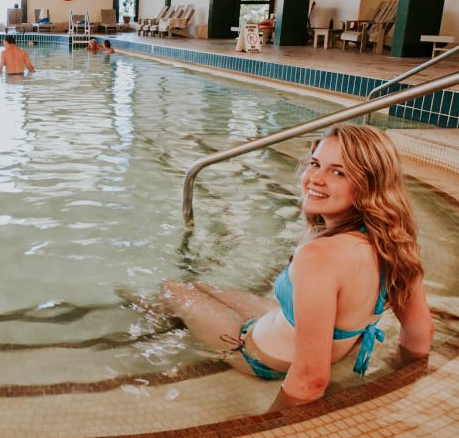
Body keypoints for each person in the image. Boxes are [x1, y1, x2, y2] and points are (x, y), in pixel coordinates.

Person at [148, 124, 433, 411]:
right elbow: (420, 332)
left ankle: (149, 336)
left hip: (259, 356)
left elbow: (311, 379)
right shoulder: (395, 241)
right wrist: (397, 381)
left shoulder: (319, 256)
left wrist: (271, 435)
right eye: (315, 164)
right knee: (200, 287)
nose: (315, 179)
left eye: (338, 172)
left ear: (368, 185)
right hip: (284, 329)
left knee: (173, 290)